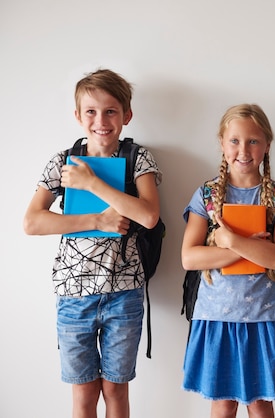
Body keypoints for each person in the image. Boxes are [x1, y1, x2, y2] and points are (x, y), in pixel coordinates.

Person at [23, 69, 162, 418]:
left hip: (124, 293)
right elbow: (32, 221)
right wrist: (98, 221)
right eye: (91, 111)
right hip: (73, 294)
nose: (101, 120)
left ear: (126, 115)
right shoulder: (62, 161)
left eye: (111, 111)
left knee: (116, 389)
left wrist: (92, 183)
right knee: (83, 393)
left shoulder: (137, 159)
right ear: (77, 116)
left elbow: (148, 216)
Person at [180, 103, 275, 418]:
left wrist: (232, 240)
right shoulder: (207, 195)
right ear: (222, 143)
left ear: (267, 145)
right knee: (223, 404)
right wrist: (246, 249)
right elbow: (190, 257)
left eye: (253, 141)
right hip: (216, 317)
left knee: (260, 404)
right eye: (234, 140)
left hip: (264, 316)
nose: (243, 149)